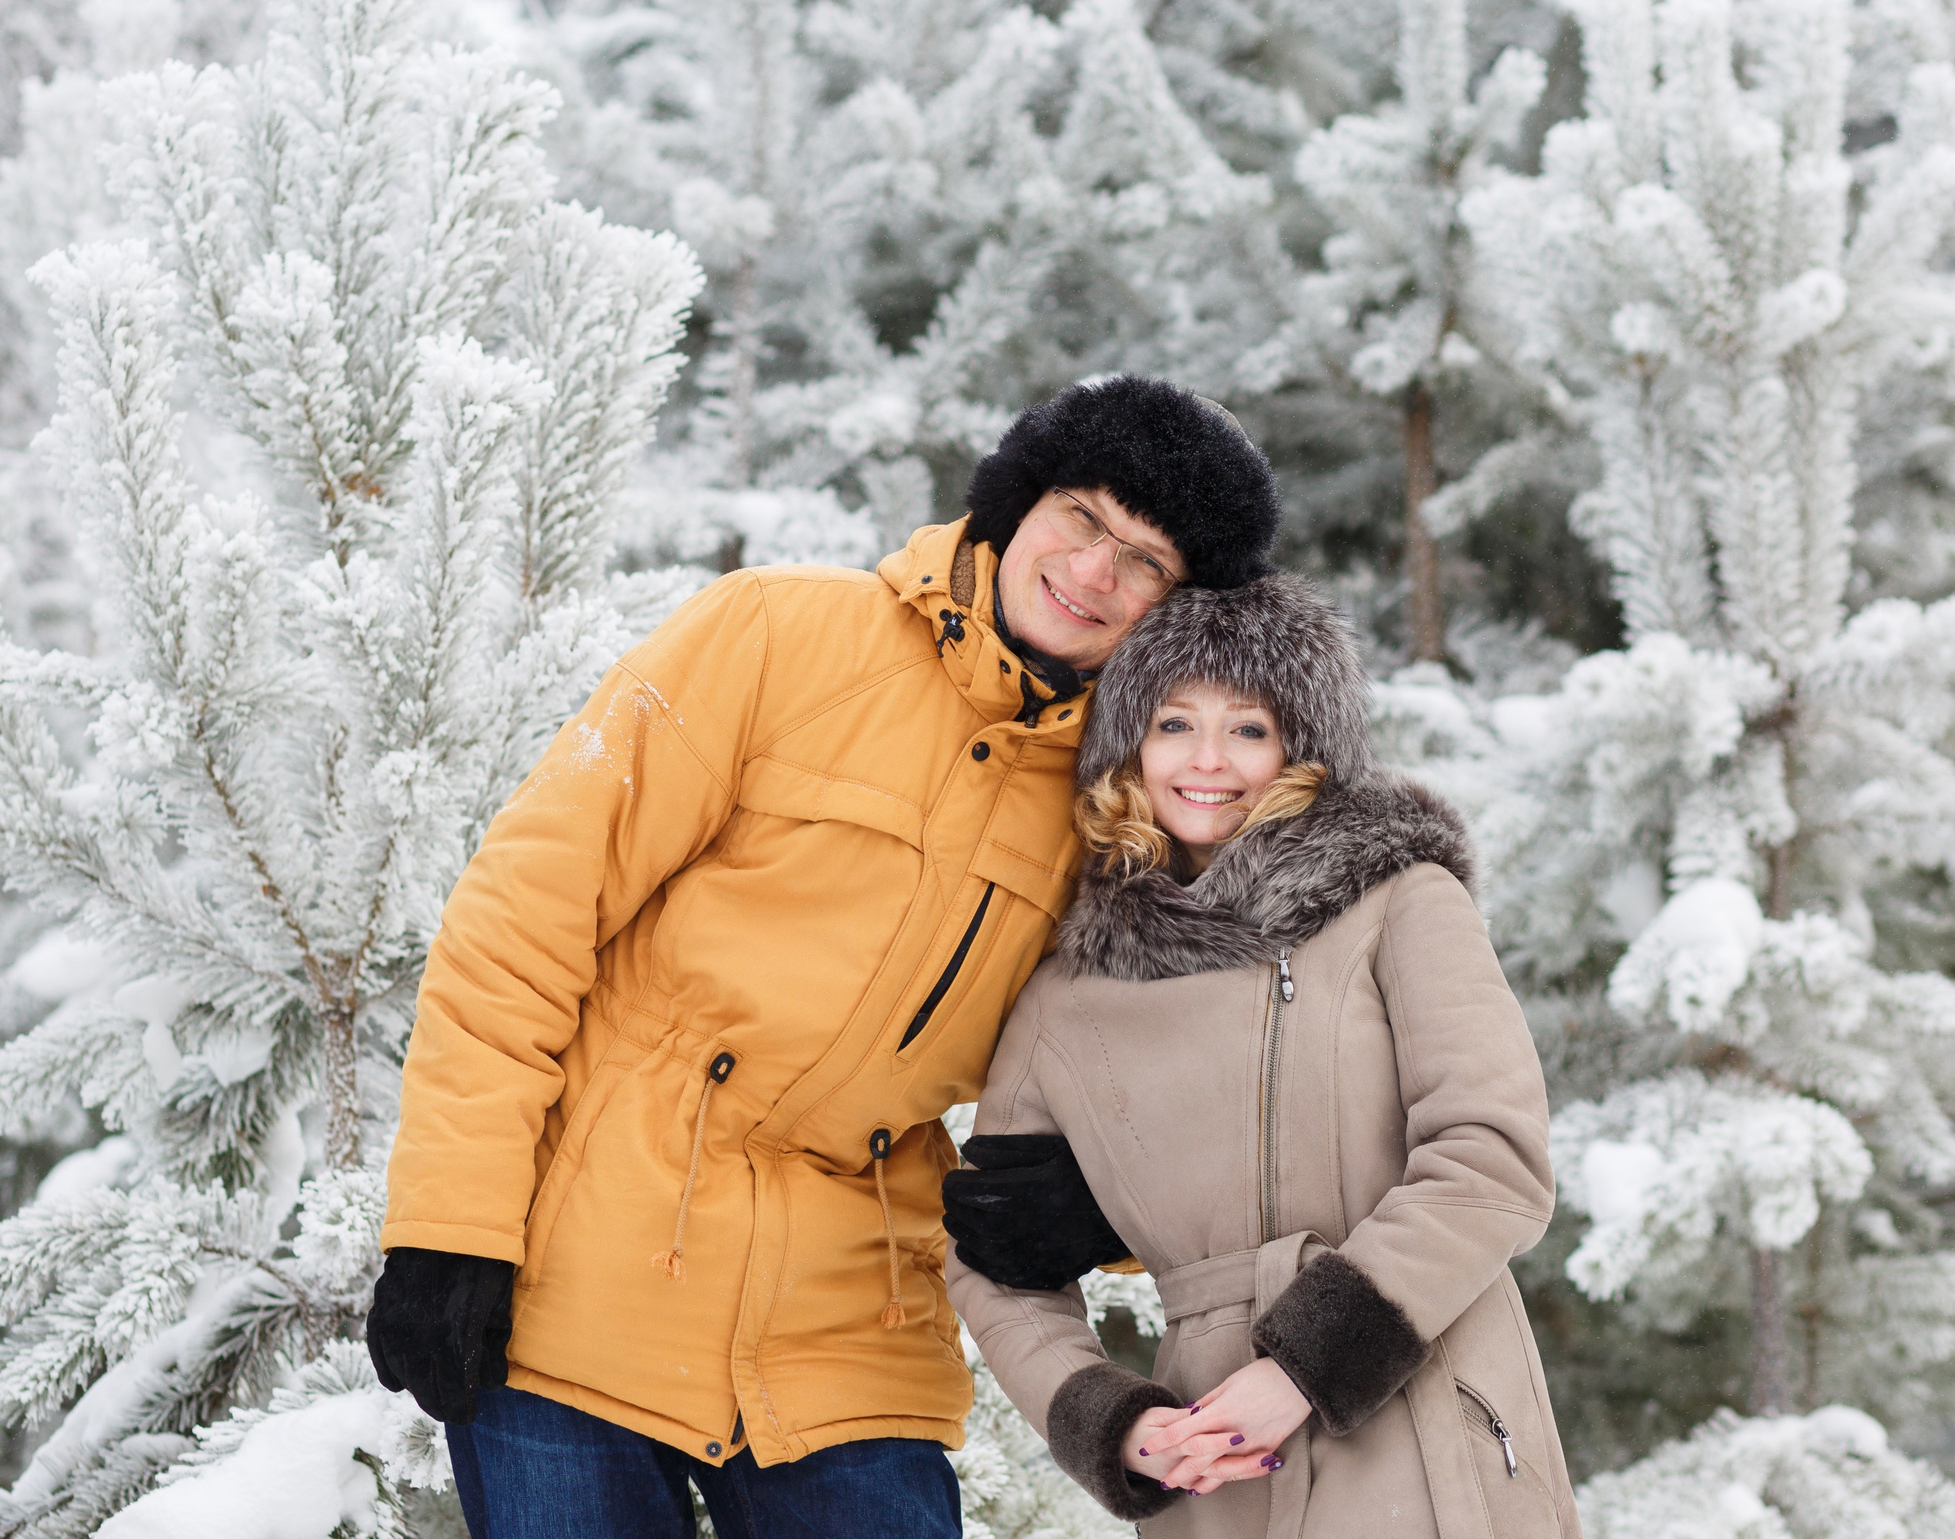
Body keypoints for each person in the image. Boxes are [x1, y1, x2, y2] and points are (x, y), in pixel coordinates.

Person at [367, 374, 1282, 1539]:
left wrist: (1098, 1209)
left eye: (1145, 561)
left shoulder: (1130, 797)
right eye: (1081, 517)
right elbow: (519, 929)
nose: (1095, 571)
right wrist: (448, 1232)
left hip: (851, 1330)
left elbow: (1166, 1077)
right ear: (1019, 501)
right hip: (579, 1282)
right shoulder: (774, 634)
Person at [942, 574, 1581, 1537]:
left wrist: (1303, 1370)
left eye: (1248, 727)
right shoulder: (1064, 996)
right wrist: (1116, 1426)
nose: (1209, 760)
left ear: (1300, 747)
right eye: (1174, 724)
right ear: (1127, 745)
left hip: (1424, 1406)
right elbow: (998, 1259)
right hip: (1213, 1460)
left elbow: (1493, 1160)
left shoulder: (1399, 899)